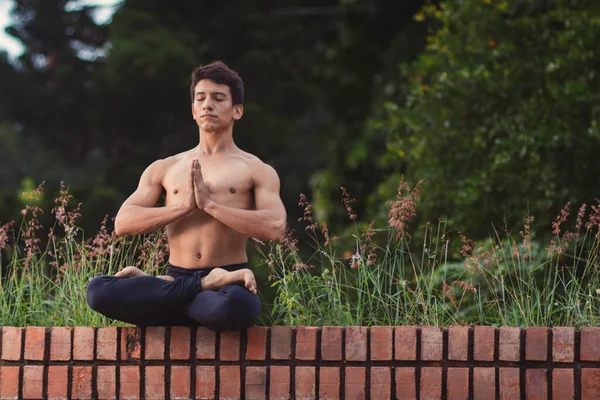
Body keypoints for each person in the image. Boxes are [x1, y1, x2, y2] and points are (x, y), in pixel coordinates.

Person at [86, 61, 287, 331]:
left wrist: (210, 206)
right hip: (184, 274)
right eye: (200, 98)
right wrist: (184, 207)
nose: (207, 105)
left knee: (236, 307)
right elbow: (123, 223)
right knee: (98, 291)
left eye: (218, 98)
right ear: (193, 110)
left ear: (237, 110)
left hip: (226, 282)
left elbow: (275, 226)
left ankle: (167, 293)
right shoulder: (166, 167)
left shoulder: (255, 169)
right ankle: (195, 286)